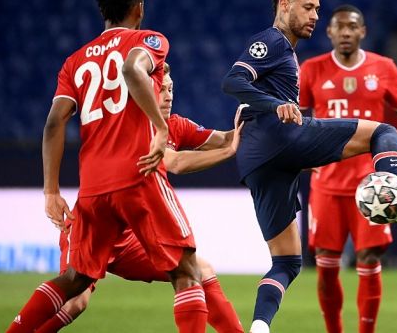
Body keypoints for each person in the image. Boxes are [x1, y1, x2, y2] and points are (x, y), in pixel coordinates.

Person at [221, 0, 397, 333]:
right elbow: (233, 80)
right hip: (279, 137)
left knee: (287, 262)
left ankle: (260, 326)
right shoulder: (272, 41)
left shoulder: (293, 55)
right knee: (384, 132)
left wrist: (303, 152)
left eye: (316, 9)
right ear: (285, 4)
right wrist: (275, 104)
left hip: (259, 161)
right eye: (308, 7)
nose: (314, 15)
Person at [6, 0, 208, 332]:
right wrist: (161, 128)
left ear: (104, 10)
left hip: (94, 186)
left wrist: (51, 190)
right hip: (138, 174)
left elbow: (54, 123)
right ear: (139, 8)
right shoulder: (150, 40)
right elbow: (133, 69)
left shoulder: (76, 60)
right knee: (187, 272)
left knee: (74, 279)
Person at [37, 64, 244, 333]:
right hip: (94, 225)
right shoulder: (135, 127)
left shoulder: (176, 125)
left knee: (200, 270)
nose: (168, 96)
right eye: (162, 89)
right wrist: (230, 152)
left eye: (171, 90)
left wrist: (247, 126)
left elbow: (226, 139)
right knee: (76, 302)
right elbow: (175, 162)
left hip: (128, 238)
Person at [298, 4, 397, 333]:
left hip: (374, 186)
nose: (346, 32)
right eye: (340, 27)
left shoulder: (384, 68)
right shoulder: (312, 70)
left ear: (362, 32)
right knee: (326, 266)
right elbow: (299, 120)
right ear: (329, 32)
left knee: (369, 260)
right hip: (326, 185)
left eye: (353, 27)